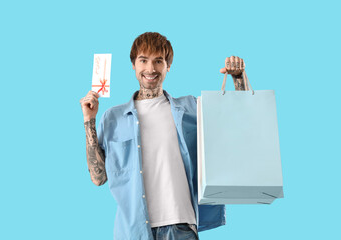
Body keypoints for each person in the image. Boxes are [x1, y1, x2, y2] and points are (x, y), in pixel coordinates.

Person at [80, 32, 247, 240]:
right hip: (133, 232)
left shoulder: (191, 109)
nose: (150, 69)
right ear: (133, 64)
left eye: (158, 61)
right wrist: (89, 120)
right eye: (143, 60)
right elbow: (98, 178)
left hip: (181, 228)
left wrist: (238, 79)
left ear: (168, 66)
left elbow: (239, 123)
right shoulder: (113, 118)